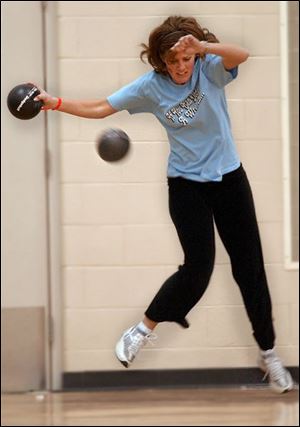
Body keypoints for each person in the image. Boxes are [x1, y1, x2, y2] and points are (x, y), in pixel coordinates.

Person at [35, 16, 293, 393]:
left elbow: (243, 54)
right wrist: (53, 103)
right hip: (186, 185)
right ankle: (142, 329)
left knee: (249, 268)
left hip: (229, 179)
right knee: (197, 269)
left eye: (185, 60)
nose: (181, 68)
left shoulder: (209, 69)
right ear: (161, 63)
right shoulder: (151, 88)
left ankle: (269, 354)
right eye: (173, 62)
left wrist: (203, 48)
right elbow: (99, 108)